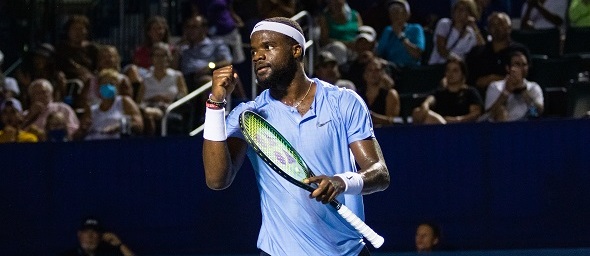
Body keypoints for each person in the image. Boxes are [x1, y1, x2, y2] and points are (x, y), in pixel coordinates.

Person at [202, 17, 390, 255]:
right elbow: (217, 179)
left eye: (268, 47)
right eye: (254, 52)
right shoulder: (249, 116)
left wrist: (342, 182)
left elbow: (379, 173)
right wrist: (216, 103)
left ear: (296, 50)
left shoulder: (344, 102)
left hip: (347, 251)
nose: (258, 56)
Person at [465, 12, 529, 97]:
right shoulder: (477, 52)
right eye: (492, 25)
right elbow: (468, 78)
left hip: (514, 96)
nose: (496, 28)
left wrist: (494, 79)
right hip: (480, 96)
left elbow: (524, 77)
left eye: (500, 24)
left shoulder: (519, 51)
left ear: (509, 28)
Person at [74, 69, 143, 140]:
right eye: (104, 83)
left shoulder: (124, 101)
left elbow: (139, 125)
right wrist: (83, 129)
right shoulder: (92, 110)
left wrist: (119, 127)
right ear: (98, 87)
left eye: (112, 84)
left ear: (117, 87)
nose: (108, 86)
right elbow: (76, 136)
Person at [137, 42, 188, 136]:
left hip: (169, 107)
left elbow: (183, 96)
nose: (160, 59)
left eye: (163, 55)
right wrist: (154, 98)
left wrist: (167, 99)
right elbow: (139, 101)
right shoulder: (146, 78)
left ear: (168, 58)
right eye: (157, 55)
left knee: (152, 115)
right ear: (152, 58)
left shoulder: (177, 76)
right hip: (149, 105)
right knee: (145, 114)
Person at [413, 57, 483, 124]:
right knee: (417, 112)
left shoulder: (470, 92)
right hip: (440, 129)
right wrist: (425, 105)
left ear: (463, 74)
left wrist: (457, 120)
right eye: (448, 70)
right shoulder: (440, 93)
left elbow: (475, 114)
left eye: (455, 70)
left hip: (462, 129)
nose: (450, 73)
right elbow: (429, 100)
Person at [480, 50, 544, 122]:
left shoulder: (533, 87)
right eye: (517, 64)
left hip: (526, 128)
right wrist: (506, 92)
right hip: (502, 129)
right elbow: (489, 116)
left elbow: (536, 113)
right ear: (508, 68)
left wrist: (523, 90)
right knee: (501, 110)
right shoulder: (495, 86)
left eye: (524, 65)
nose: (521, 68)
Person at [177, 15, 233, 90]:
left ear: (204, 29)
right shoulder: (183, 48)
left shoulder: (215, 44)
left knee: (207, 81)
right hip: (184, 78)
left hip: (204, 75)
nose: (190, 30)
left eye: (194, 27)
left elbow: (227, 61)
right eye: (188, 27)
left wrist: (209, 68)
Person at [428, 0, 485, 65]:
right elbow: (441, 48)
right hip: (439, 65)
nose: (458, 12)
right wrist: (457, 61)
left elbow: (482, 49)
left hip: (459, 71)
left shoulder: (471, 33)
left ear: (469, 13)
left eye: (462, 9)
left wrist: (474, 27)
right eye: (457, 8)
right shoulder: (445, 24)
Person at [376, 0, 425, 68]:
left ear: (406, 15)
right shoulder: (387, 30)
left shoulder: (416, 28)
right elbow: (378, 53)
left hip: (410, 69)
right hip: (390, 67)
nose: (393, 15)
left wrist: (400, 35)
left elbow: (417, 54)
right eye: (391, 12)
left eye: (397, 11)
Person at [359, 57, 400, 126]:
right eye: (370, 70)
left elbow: (393, 121)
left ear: (382, 73)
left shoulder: (390, 94)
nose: (373, 73)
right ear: (365, 74)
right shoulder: (358, 95)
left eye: (377, 70)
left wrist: (373, 117)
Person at [62, 217, 135, 256]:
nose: (90, 236)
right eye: (86, 232)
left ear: (101, 236)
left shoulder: (109, 254)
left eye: (94, 232)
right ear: (79, 234)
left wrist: (120, 245)